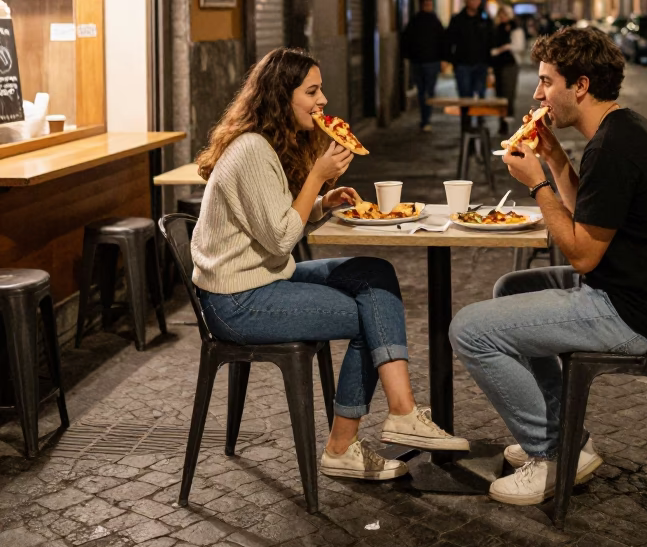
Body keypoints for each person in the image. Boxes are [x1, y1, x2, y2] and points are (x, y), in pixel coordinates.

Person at [449, 25, 647, 507]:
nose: (538, 93)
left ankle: (553, 455)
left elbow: (582, 253)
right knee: (510, 287)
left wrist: (537, 183)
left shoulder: (613, 148)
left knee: (470, 330)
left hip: (635, 315)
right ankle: (564, 435)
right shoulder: (620, 129)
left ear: (579, 85)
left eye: (546, 81)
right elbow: (590, 209)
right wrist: (554, 155)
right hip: (636, 292)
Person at [192, 47, 468, 482]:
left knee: (375, 273)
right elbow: (283, 236)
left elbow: (277, 220)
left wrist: (321, 202)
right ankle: (343, 447)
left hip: (263, 276)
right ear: (281, 96)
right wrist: (318, 176)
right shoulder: (249, 151)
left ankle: (402, 412)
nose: (323, 102)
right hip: (238, 301)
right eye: (312, 91)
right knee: (365, 315)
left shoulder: (265, 145)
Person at [401, 0, 446, 132]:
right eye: (426, 3)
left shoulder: (435, 21)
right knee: (422, 91)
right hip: (418, 61)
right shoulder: (415, 21)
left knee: (429, 91)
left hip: (431, 62)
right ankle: (424, 118)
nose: (428, 6)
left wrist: (442, 59)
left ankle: (426, 119)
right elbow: (407, 39)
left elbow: (442, 41)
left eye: (429, 4)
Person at [446, 0, 491, 98]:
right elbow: (449, 40)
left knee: (481, 94)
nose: (475, 2)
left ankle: (480, 115)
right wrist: (450, 60)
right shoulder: (457, 19)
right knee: (465, 95)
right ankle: (466, 116)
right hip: (462, 63)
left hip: (481, 62)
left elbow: (490, 40)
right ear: (466, 0)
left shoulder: (485, 19)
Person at [489, 5, 526, 133]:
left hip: (510, 64)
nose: (502, 17)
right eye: (501, 15)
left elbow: (519, 46)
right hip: (497, 65)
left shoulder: (515, 29)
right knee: (499, 93)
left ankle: (506, 120)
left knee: (508, 94)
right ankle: (501, 121)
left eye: (505, 15)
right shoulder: (496, 28)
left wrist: (505, 47)